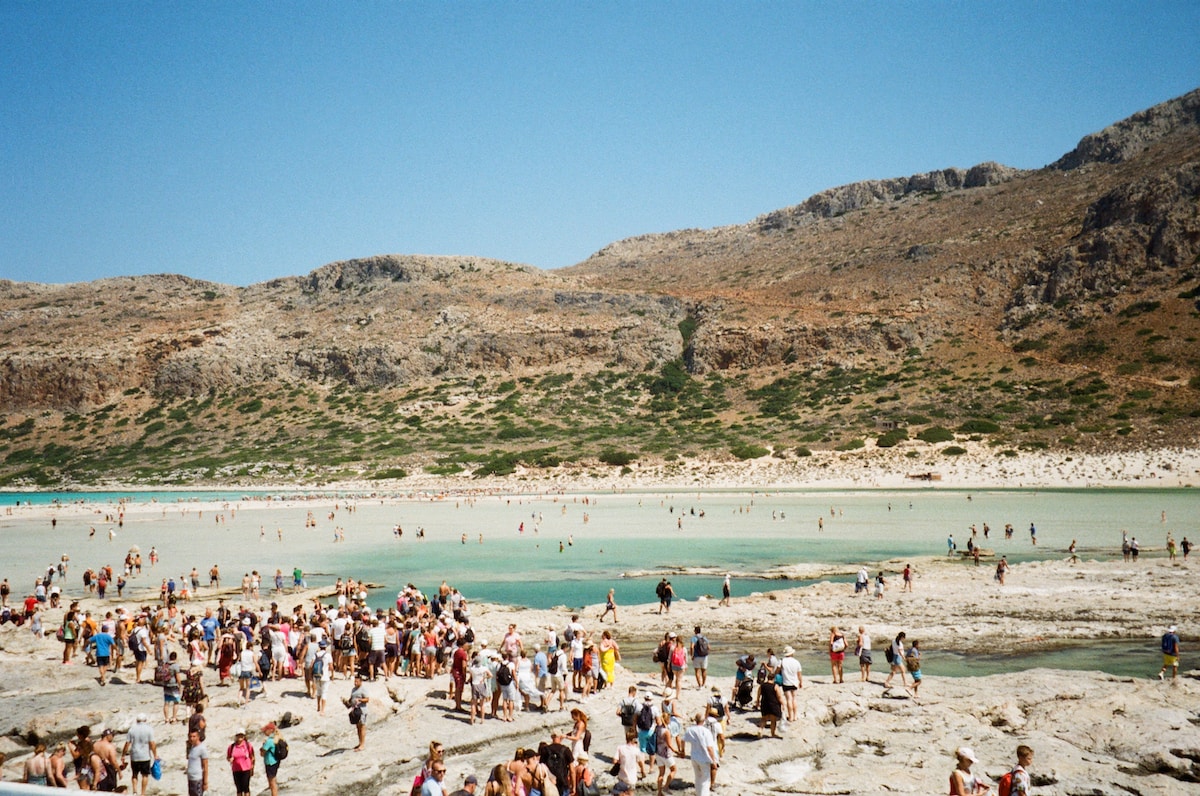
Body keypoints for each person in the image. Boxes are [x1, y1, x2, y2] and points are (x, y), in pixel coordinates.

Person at [681, 712, 719, 796]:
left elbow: (682, 740)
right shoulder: (706, 731)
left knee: (698, 778)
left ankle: (698, 794)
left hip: (694, 756)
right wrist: (714, 761)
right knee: (705, 780)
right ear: (703, 721)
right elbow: (709, 748)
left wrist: (682, 751)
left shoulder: (690, 729)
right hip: (704, 757)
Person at [122, 713, 156, 796]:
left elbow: (127, 743)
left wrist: (123, 755)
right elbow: (152, 743)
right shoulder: (149, 729)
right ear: (145, 720)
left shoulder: (132, 729)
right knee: (145, 775)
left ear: (137, 720)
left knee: (134, 774)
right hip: (145, 755)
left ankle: (134, 791)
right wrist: (155, 754)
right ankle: (143, 793)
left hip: (134, 755)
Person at [227, 729, 255, 796]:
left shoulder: (248, 746)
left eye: (241, 735)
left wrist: (252, 768)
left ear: (244, 736)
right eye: (239, 735)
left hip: (246, 769)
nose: (240, 737)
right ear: (236, 736)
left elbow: (252, 757)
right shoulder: (232, 747)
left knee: (246, 787)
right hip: (236, 769)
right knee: (239, 788)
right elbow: (228, 756)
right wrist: (230, 759)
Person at [758, 667, 784, 738]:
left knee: (764, 719)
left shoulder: (762, 685)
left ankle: (760, 730)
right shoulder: (775, 686)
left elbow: (758, 695)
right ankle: (773, 734)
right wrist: (783, 704)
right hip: (773, 705)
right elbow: (779, 697)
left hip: (764, 704)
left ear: (767, 678)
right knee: (773, 720)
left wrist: (757, 703)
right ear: (774, 678)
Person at [778, 645, 802, 722]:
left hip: (786, 682)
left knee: (789, 699)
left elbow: (777, 670)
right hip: (794, 682)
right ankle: (795, 716)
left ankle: (790, 717)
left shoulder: (782, 661)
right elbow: (799, 674)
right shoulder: (796, 662)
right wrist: (801, 682)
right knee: (794, 699)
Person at [614, 726, 642, 791]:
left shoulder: (620, 748)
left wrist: (621, 762)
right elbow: (640, 762)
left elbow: (614, 760)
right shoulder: (636, 750)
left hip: (621, 776)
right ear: (633, 740)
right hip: (631, 778)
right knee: (630, 793)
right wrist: (643, 772)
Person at [347, 674, 370, 751]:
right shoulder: (353, 689)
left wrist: (360, 700)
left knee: (362, 726)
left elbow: (367, 699)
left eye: (357, 681)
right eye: (355, 681)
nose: (355, 683)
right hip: (355, 710)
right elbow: (351, 698)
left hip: (362, 710)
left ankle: (362, 745)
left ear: (361, 682)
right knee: (358, 727)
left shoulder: (363, 689)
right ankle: (360, 743)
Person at [261, 723, 282, 796]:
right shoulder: (276, 738)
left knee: (272, 783)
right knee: (273, 781)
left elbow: (262, 753)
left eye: (265, 730)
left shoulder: (269, 741)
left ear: (270, 730)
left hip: (270, 763)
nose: (264, 732)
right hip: (275, 762)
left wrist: (263, 745)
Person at [187, 730, 209, 796]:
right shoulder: (192, 747)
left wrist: (205, 782)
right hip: (191, 778)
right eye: (190, 736)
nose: (191, 738)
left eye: (194, 736)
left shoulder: (202, 748)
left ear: (198, 737)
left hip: (197, 779)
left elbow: (205, 766)